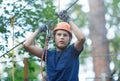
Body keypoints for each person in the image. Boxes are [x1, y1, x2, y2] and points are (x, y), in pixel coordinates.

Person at [23, 11, 85, 81]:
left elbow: (81, 38)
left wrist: (69, 21)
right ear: (54, 37)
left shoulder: (73, 51)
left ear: (70, 39)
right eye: (59, 34)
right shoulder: (48, 55)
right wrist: (39, 30)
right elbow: (26, 45)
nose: (62, 37)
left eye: (65, 35)